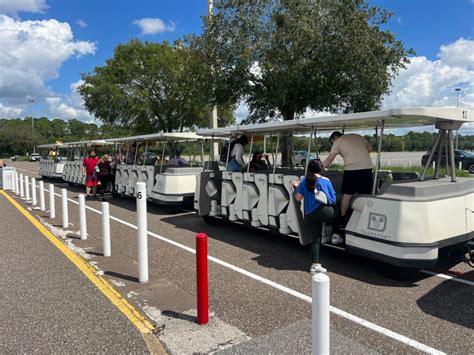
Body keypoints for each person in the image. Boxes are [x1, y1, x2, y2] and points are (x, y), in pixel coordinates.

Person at [293, 160, 337, 274]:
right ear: (321, 169)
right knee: (339, 213)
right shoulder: (326, 181)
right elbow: (333, 199)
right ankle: (335, 233)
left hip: (310, 215)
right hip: (325, 213)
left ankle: (315, 265)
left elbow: (297, 198)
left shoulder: (304, 181)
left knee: (315, 239)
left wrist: (296, 187)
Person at [323, 131, 373, 232]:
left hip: (352, 170)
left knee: (347, 195)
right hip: (367, 168)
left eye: (332, 142)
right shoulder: (358, 136)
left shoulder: (338, 141)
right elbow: (370, 149)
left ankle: (342, 218)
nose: (333, 144)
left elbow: (329, 159)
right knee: (364, 195)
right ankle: (364, 217)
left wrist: (318, 169)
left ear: (335, 137)